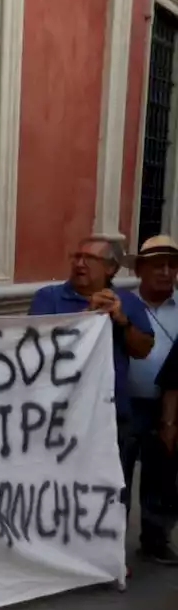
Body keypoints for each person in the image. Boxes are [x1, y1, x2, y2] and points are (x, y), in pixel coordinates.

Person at [29, 235, 154, 486]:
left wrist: (122, 321)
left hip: (111, 415)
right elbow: (36, 348)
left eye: (90, 258)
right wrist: (88, 317)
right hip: (57, 415)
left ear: (111, 268)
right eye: (77, 256)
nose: (80, 264)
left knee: (110, 490)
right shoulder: (47, 297)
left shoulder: (128, 302)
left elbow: (142, 349)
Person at [127, 236, 178, 564]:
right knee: (118, 471)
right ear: (140, 269)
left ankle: (156, 539)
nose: (165, 271)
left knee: (164, 473)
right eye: (157, 265)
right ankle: (108, 540)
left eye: (172, 266)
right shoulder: (121, 304)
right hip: (125, 403)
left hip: (169, 407)